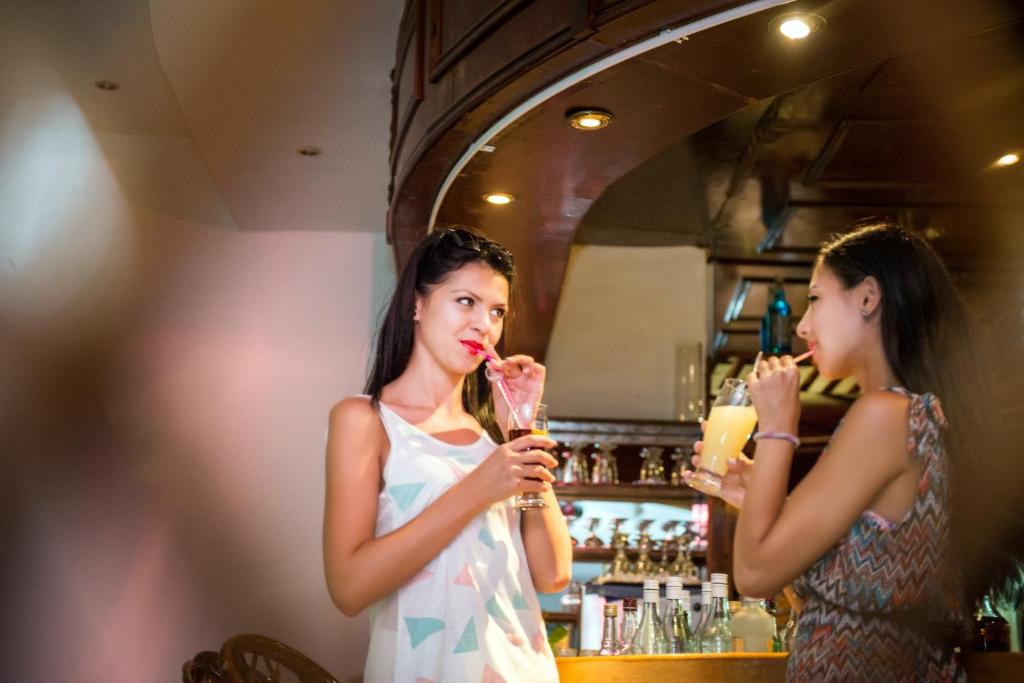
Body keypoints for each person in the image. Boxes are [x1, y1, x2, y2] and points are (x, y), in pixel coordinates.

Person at [689, 223, 1023, 681]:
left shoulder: (884, 415)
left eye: (815, 298)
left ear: (868, 297)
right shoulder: (908, 416)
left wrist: (778, 429)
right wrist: (757, 501)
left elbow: (752, 575)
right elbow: (825, 610)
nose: (803, 326)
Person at [323, 226, 571, 682]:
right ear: (416, 305)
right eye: (465, 301)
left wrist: (520, 428)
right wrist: (478, 488)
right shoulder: (366, 419)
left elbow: (553, 573)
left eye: (496, 311)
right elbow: (349, 588)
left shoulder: (495, 437)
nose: (484, 325)